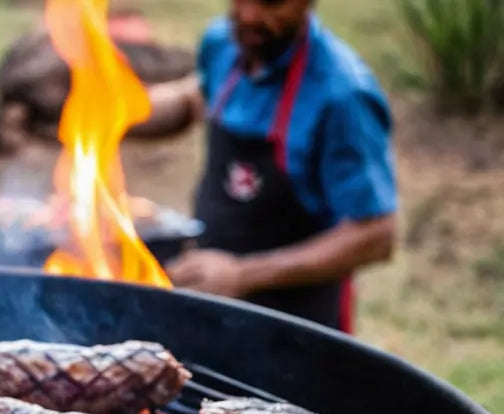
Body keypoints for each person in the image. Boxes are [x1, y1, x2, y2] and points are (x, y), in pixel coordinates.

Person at [167, 0, 397, 332]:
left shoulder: (343, 94)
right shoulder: (224, 43)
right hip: (212, 308)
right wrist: (104, 108)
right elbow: (193, 100)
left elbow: (377, 235)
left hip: (297, 329)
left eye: (271, 2)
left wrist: (241, 274)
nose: (248, 15)